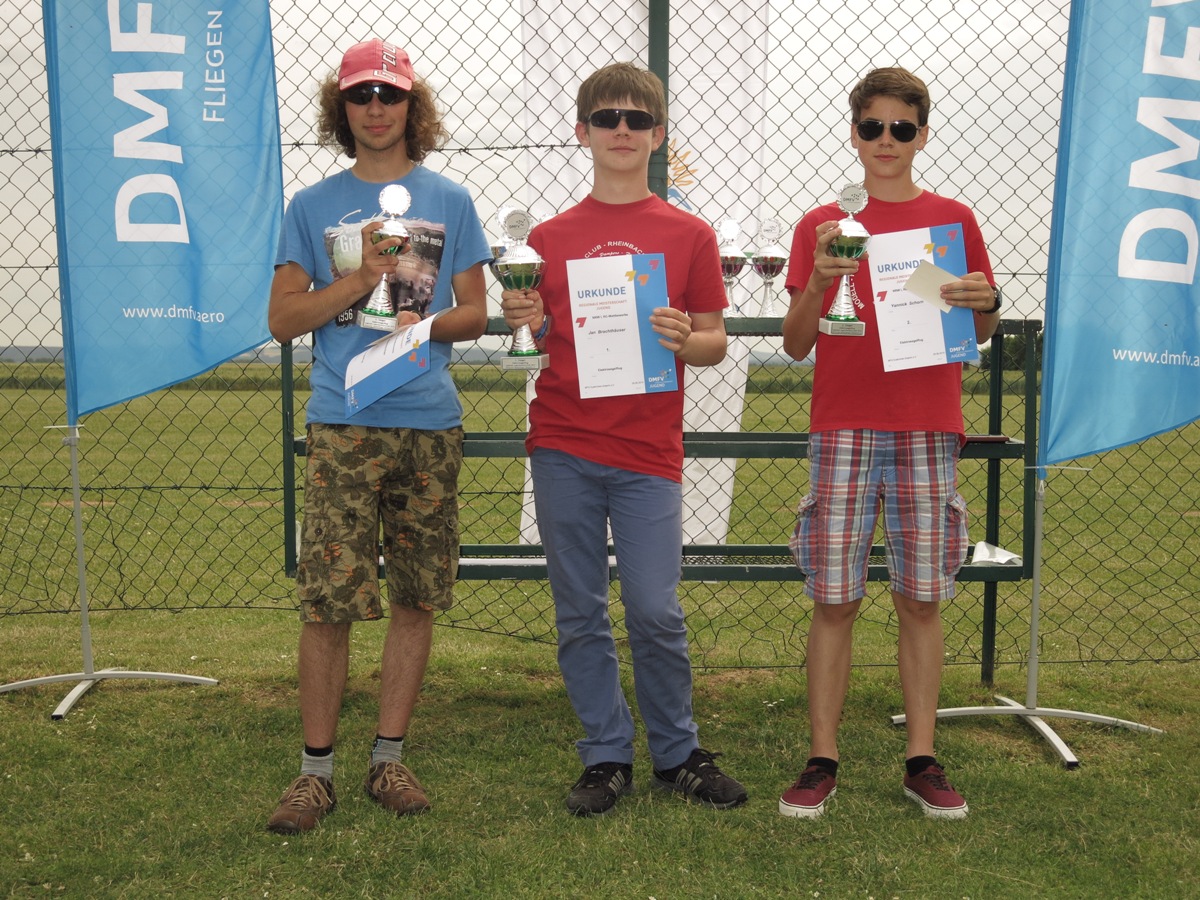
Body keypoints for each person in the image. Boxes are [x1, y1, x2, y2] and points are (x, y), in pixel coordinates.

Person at [500, 62, 747, 817]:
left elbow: (714, 341)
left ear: (658, 135)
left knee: (654, 610)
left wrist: (682, 338)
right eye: (606, 117)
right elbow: (540, 333)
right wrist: (525, 316)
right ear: (582, 131)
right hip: (564, 443)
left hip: (647, 453)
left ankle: (677, 752)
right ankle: (605, 753)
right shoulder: (548, 238)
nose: (621, 130)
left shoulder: (689, 234)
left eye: (637, 119)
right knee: (579, 610)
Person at [265, 38, 490, 834]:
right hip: (344, 422)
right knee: (328, 602)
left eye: (389, 95)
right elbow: (283, 319)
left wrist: (417, 323)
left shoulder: (450, 200)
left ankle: (388, 759)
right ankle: (314, 773)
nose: (375, 108)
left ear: (411, 106)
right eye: (360, 95)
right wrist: (361, 280)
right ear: (342, 107)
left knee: (416, 596)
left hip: (428, 423)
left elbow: (476, 313)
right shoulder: (311, 205)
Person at [778, 67, 1001, 821]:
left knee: (921, 597)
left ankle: (921, 758)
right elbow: (797, 343)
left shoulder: (952, 220)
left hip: (927, 425)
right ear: (854, 133)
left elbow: (978, 327)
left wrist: (987, 301)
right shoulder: (824, 224)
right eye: (872, 126)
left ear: (922, 136)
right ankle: (822, 758)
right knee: (835, 597)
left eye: (901, 128)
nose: (886, 140)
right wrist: (819, 281)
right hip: (843, 425)